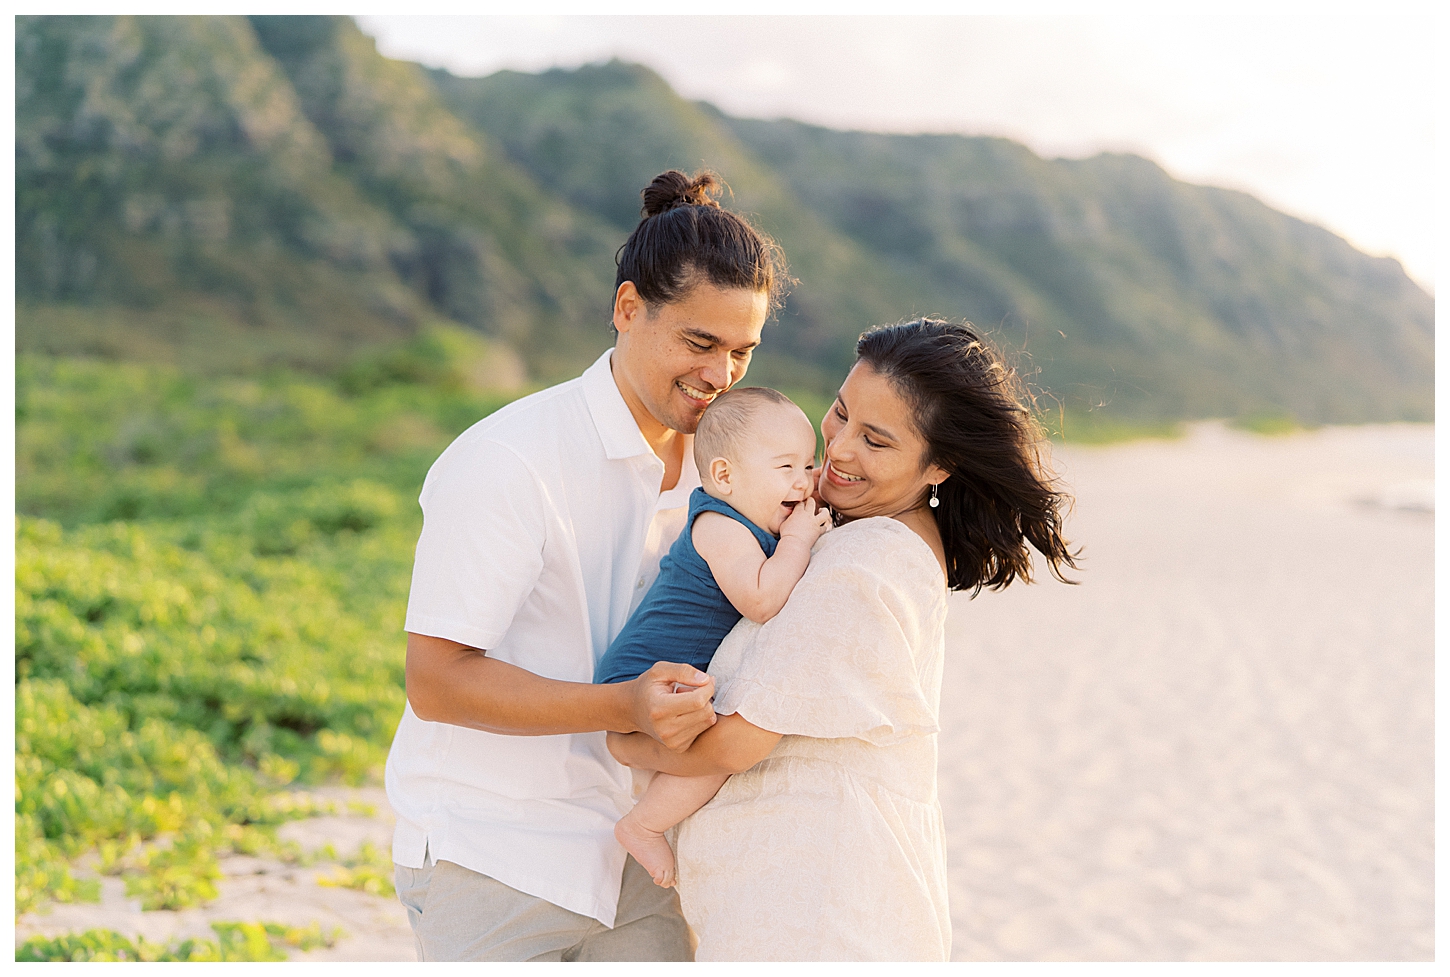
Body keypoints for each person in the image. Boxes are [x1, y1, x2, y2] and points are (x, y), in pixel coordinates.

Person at [385, 169, 788, 962]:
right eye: (699, 343)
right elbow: (435, 681)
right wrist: (624, 705)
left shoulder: (730, 470)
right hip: (493, 852)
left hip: (638, 857)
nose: (721, 375)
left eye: (743, 351)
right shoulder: (508, 459)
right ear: (627, 307)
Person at [608, 318, 1079, 961]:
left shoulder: (863, 565)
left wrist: (624, 735)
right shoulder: (865, 539)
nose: (839, 448)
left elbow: (739, 741)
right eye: (840, 413)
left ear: (939, 465)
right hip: (808, 903)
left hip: (816, 914)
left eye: (876, 441)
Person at [594, 387, 832, 888]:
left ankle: (650, 813)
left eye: (809, 466)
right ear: (724, 476)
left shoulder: (750, 518)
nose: (805, 481)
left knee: (713, 752)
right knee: (717, 755)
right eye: (786, 467)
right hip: (644, 678)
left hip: (670, 677)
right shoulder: (719, 526)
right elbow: (762, 599)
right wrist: (797, 541)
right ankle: (642, 825)